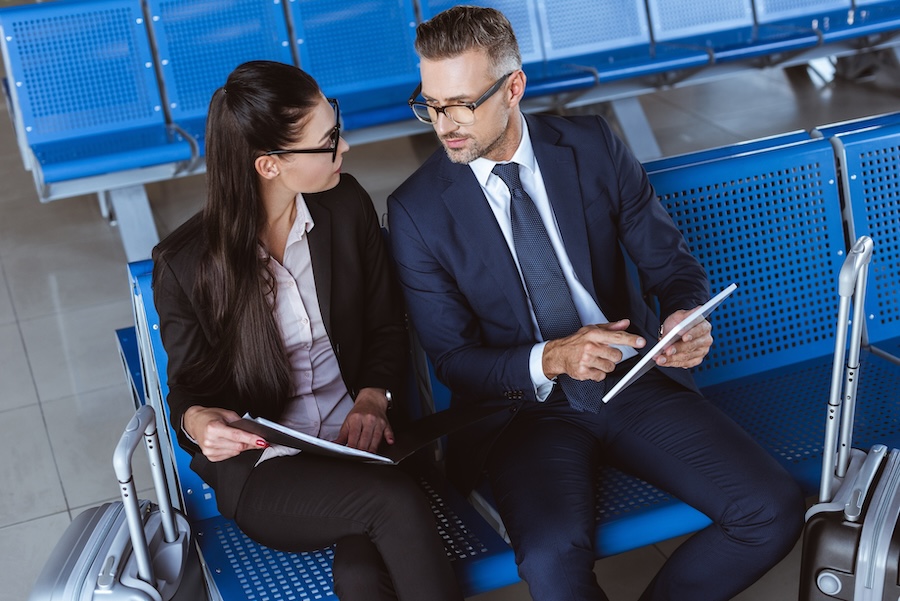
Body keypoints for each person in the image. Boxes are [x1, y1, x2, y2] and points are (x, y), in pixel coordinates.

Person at [387, 7, 805, 601]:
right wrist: (553, 358)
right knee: (552, 558)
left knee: (772, 508)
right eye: (430, 103)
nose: (443, 123)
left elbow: (671, 265)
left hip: (631, 379)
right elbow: (453, 359)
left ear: (513, 88)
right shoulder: (416, 210)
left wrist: (686, 314)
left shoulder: (591, 146)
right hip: (522, 414)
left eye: (460, 104)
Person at [152, 60, 462, 601]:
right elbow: (189, 391)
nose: (344, 148)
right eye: (327, 142)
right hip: (270, 468)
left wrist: (372, 397)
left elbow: (388, 323)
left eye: (334, 125)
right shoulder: (187, 263)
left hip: (359, 447)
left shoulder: (345, 205)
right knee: (392, 502)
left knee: (363, 578)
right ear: (269, 166)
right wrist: (199, 421)